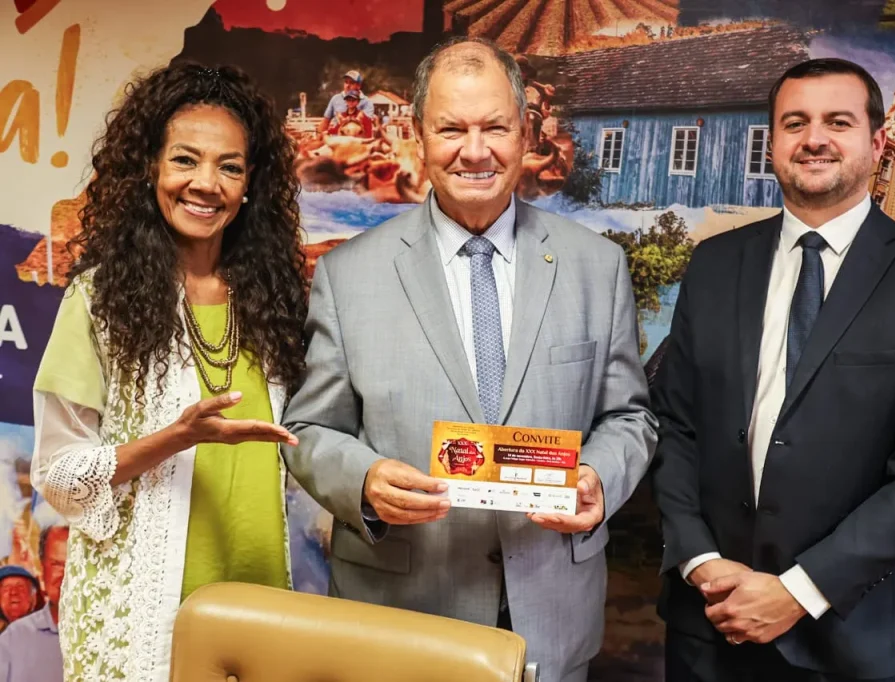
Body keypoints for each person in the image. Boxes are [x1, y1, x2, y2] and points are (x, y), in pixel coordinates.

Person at [283, 36, 656, 682]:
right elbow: (309, 430)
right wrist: (364, 481)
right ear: (419, 137)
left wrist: (600, 475)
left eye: (495, 127)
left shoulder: (597, 267)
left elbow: (630, 417)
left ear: (525, 133)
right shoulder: (349, 275)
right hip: (400, 619)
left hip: (550, 617)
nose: (475, 150)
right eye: (452, 129)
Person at [651, 57, 895, 682]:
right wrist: (699, 561)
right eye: (795, 122)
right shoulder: (715, 264)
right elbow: (676, 427)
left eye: (838, 121)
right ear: (773, 142)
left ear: (877, 143)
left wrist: (798, 591)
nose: (814, 138)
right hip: (709, 621)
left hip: (847, 635)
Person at [30, 62, 308, 681]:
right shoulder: (99, 300)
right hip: (140, 617)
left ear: (250, 184)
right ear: (150, 167)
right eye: (185, 160)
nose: (206, 184)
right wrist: (177, 437)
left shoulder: (275, 301)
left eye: (229, 167)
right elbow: (59, 476)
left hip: (261, 605)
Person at [0, 526, 68, 682]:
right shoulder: (11, 638)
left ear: (33, 596)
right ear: (43, 570)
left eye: (20, 588)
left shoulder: (111, 633)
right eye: (56, 564)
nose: (13, 594)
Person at [320, 69, 375, 133]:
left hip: (357, 135)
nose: (347, 86)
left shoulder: (367, 102)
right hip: (337, 135)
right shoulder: (335, 99)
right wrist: (320, 134)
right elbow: (326, 121)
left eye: (352, 83)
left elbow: (366, 125)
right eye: (346, 82)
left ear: (359, 86)